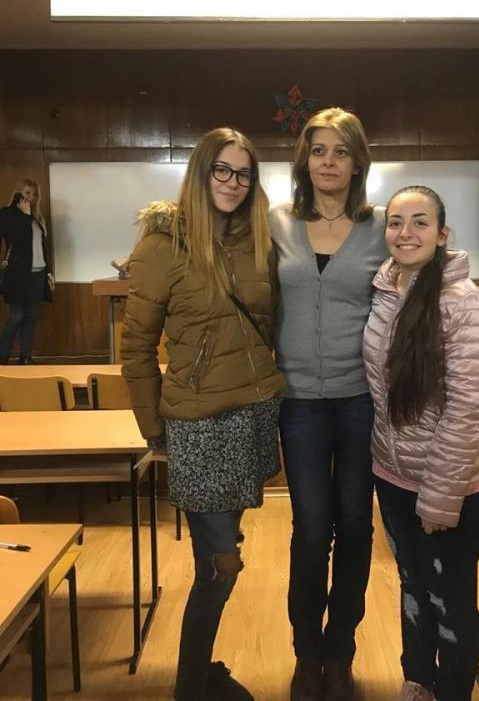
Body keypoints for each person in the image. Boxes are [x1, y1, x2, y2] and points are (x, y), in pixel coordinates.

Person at [120, 128, 286, 701]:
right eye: (222, 170)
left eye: (244, 173)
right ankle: (190, 688)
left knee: (217, 557)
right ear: (199, 171)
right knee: (221, 565)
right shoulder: (161, 245)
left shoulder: (259, 240)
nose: (233, 183)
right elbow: (136, 349)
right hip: (198, 424)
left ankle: (199, 673)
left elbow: (270, 323)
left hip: (253, 414)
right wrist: (154, 429)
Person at [363, 185, 479, 701]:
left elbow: (467, 411)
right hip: (394, 476)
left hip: (450, 489)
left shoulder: (464, 304)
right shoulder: (385, 290)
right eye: (396, 222)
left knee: (450, 602)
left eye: (420, 222)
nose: (406, 232)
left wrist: (440, 497)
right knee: (413, 589)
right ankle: (418, 682)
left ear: (442, 234)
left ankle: (453, 691)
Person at [269, 108, 387, 701]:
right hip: (299, 405)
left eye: (341, 151)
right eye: (319, 150)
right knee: (313, 530)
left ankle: (340, 652)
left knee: (356, 525)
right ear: (304, 160)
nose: (329, 162)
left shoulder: (381, 226)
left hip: (361, 400)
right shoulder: (277, 222)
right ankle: (306, 652)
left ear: (358, 162)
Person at [0, 178, 53, 365]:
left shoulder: (36, 217)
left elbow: (40, 247)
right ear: (18, 194)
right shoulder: (7, 214)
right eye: (27, 193)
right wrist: (25, 216)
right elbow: (16, 237)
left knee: (32, 315)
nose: (31, 197)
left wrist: (48, 272)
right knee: (16, 315)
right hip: (18, 274)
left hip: (38, 272)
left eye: (34, 194)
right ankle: (3, 356)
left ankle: (25, 357)